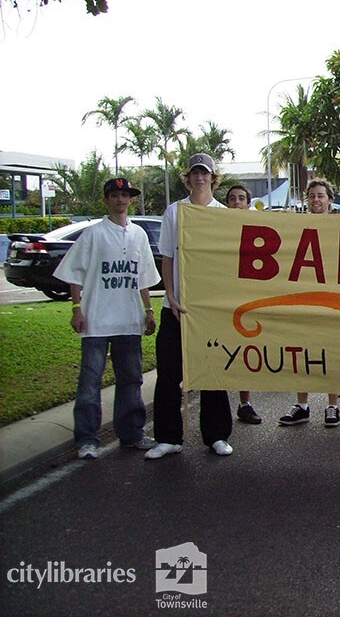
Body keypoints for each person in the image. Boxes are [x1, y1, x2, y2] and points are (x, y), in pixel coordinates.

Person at [54, 178, 159, 459]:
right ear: (106, 200)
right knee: (90, 382)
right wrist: (77, 308)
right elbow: (74, 274)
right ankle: (87, 439)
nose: (120, 200)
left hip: (129, 320)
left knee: (131, 380)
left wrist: (148, 311)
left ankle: (131, 433)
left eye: (125, 195)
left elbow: (143, 278)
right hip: (97, 321)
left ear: (130, 200)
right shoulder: (93, 234)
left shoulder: (139, 235)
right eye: (115, 195)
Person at [146, 154, 234, 459]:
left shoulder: (223, 214)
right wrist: (170, 295)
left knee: (212, 372)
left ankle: (217, 435)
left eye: (205, 173)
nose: (200, 178)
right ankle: (168, 438)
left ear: (213, 178)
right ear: (189, 178)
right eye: (195, 173)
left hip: (209, 310)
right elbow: (168, 257)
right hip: (177, 308)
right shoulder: (175, 211)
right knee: (169, 374)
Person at [277, 179, 340, 428]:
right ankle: (302, 405)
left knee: (331, 351)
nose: (316, 200)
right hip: (303, 297)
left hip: (332, 299)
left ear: (330, 200)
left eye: (321, 196)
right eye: (312, 196)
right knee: (301, 351)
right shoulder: (296, 226)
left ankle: (332, 406)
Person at [224, 184, 263, 425]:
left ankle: (244, 403)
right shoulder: (216, 226)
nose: (236, 202)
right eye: (232, 199)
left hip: (248, 299)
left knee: (245, 352)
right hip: (222, 300)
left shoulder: (256, 228)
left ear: (248, 204)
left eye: (241, 198)